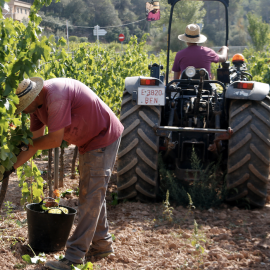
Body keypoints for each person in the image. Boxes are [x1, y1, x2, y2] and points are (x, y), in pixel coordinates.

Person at [13, 77, 124, 270]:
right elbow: (33, 145)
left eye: (25, 104)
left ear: (36, 94)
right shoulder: (35, 107)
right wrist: (10, 168)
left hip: (102, 135)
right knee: (92, 191)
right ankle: (101, 244)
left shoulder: (56, 96)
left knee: (90, 195)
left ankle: (74, 257)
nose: (25, 109)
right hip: (88, 141)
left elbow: (55, 140)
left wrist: (27, 144)